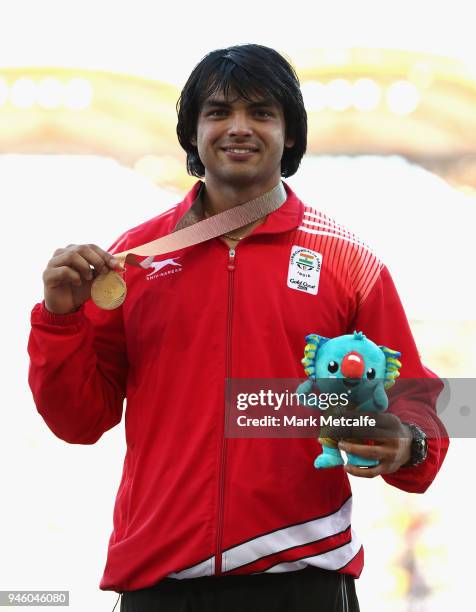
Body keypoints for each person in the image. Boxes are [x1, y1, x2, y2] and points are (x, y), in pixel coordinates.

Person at [27, 44, 449, 612]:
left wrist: (410, 442)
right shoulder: (134, 259)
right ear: (194, 133)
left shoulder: (348, 262)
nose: (239, 128)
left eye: (262, 113)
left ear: (290, 134)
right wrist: (60, 318)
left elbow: (420, 401)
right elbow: (78, 421)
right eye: (219, 112)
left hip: (303, 579)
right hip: (161, 581)